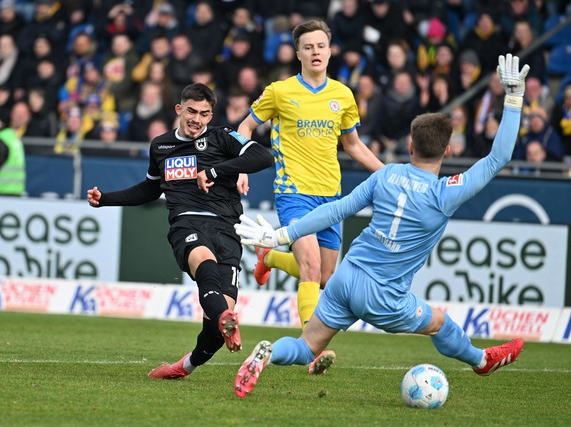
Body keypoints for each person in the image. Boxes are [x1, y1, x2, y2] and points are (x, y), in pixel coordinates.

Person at [232, 54, 529, 398]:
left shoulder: (387, 174)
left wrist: (282, 234)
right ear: (447, 150)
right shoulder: (446, 192)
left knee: (306, 347)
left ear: (410, 145)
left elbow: (337, 210)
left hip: (346, 278)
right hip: (385, 296)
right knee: (440, 323)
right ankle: (481, 360)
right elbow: (498, 157)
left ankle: (268, 351)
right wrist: (513, 98)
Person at [86, 83, 273, 380]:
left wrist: (214, 171)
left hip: (227, 228)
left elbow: (263, 157)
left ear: (211, 115)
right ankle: (228, 317)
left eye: (204, 113)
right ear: (179, 109)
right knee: (204, 264)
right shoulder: (161, 146)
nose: (196, 118)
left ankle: (184, 366)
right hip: (187, 222)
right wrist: (106, 199)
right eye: (191, 111)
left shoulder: (222, 137)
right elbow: (150, 188)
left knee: (213, 333)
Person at [236, 19, 384, 338]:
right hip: (294, 193)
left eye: (320, 46)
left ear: (330, 52)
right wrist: (241, 167)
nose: (315, 52)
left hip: (331, 196)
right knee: (311, 267)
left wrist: (388, 174)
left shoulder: (343, 95)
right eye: (308, 47)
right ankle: (311, 343)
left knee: (325, 276)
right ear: (299, 54)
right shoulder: (280, 91)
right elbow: (245, 127)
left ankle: (270, 257)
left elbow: (354, 145)